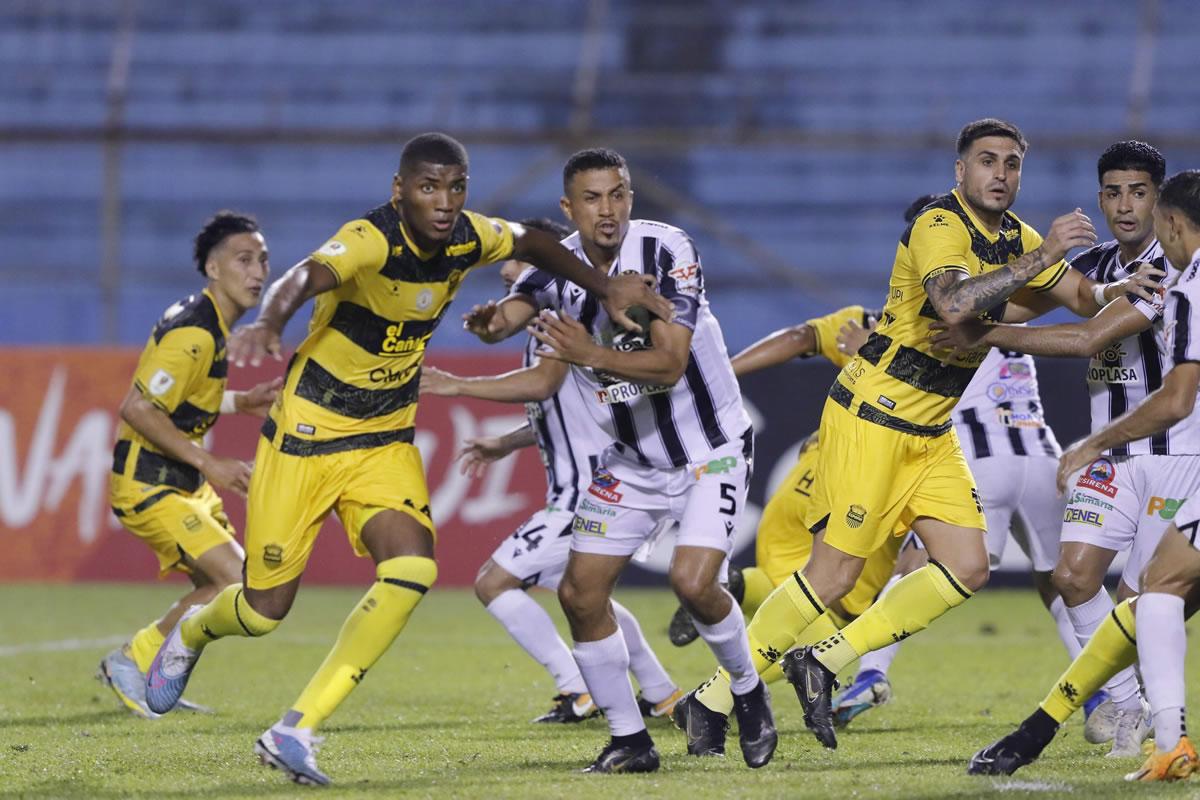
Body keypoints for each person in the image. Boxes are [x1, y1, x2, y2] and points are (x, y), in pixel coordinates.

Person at [142, 133, 672, 786]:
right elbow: (305, 275)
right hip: (304, 440)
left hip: (382, 439)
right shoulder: (369, 239)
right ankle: (193, 633)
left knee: (415, 567)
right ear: (400, 191)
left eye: (456, 187)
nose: (444, 202)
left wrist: (604, 286)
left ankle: (296, 729)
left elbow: (534, 242)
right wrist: (272, 321)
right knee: (260, 612)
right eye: (428, 187)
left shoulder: (468, 236)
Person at [759, 117, 1115, 752]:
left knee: (947, 567)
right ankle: (1113, 699)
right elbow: (990, 305)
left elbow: (1064, 302)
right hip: (1000, 445)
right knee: (1062, 579)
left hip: (962, 447)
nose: (1001, 173)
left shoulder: (996, 268)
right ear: (960, 174)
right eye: (987, 161)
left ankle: (857, 669)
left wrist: (1119, 282)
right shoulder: (956, 266)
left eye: (1012, 163)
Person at [464, 147, 775, 772]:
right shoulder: (555, 269)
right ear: (568, 207)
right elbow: (510, 318)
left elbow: (669, 363)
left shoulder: (666, 250)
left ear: (631, 196)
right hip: (633, 462)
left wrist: (589, 353)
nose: (607, 210)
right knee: (580, 594)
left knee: (693, 583)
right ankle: (631, 739)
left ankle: (747, 690)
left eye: (618, 194)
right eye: (592, 198)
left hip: (708, 452)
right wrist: (488, 326)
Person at [935, 141, 1182, 755]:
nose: (1124, 206)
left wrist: (986, 331)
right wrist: (961, 299)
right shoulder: (1096, 265)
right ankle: (1129, 708)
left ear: (1160, 199)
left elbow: (1087, 338)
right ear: (1099, 198)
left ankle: (1161, 722)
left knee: (1140, 600)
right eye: (1112, 193)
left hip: (1176, 454)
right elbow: (1012, 301)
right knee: (1072, 577)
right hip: (1114, 458)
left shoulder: (1174, 266)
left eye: (1139, 192)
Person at [420, 217, 684, 725]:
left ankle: (578, 685)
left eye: (517, 271)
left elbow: (542, 384)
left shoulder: (564, 311)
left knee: (494, 582)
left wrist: (456, 385)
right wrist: (505, 442)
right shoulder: (545, 318)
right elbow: (561, 409)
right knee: (586, 594)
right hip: (588, 486)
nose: (509, 282)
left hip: (585, 492)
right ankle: (661, 692)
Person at [98, 211, 279, 719]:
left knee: (222, 583)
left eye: (263, 260)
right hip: (149, 484)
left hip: (180, 483)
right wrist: (209, 460)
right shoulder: (196, 333)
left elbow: (181, 399)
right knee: (232, 581)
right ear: (213, 268)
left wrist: (239, 403)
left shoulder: (211, 324)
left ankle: (151, 672)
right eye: (244, 260)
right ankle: (130, 661)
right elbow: (137, 407)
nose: (258, 272)